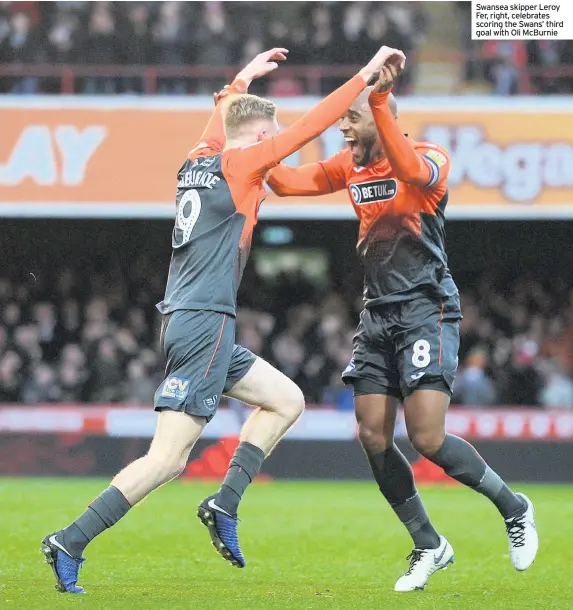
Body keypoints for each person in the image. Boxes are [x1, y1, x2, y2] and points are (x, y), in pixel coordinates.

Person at [40, 45, 402, 594]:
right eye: (270, 136)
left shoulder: (198, 159)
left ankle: (224, 502)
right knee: (166, 459)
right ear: (259, 139)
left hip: (194, 320)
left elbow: (223, 121)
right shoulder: (242, 163)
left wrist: (238, 82)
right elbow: (311, 126)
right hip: (206, 323)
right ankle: (70, 540)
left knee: (287, 400)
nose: (275, 146)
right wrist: (365, 76)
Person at [265, 61, 538, 592]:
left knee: (427, 437)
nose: (342, 127)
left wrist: (382, 99)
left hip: (426, 308)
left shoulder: (429, 158)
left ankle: (514, 508)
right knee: (371, 434)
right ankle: (428, 544)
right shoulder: (349, 166)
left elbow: (413, 172)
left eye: (351, 117)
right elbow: (285, 182)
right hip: (378, 313)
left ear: (380, 115)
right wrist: (257, 143)